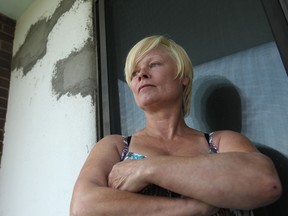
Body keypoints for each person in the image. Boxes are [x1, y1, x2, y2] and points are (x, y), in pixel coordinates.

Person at [70, 35, 282, 216]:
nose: (141, 74)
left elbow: (265, 183)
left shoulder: (222, 141)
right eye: (134, 73)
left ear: (183, 78)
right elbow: (83, 207)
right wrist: (189, 208)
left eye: (153, 65)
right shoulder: (115, 146)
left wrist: (146, 168)